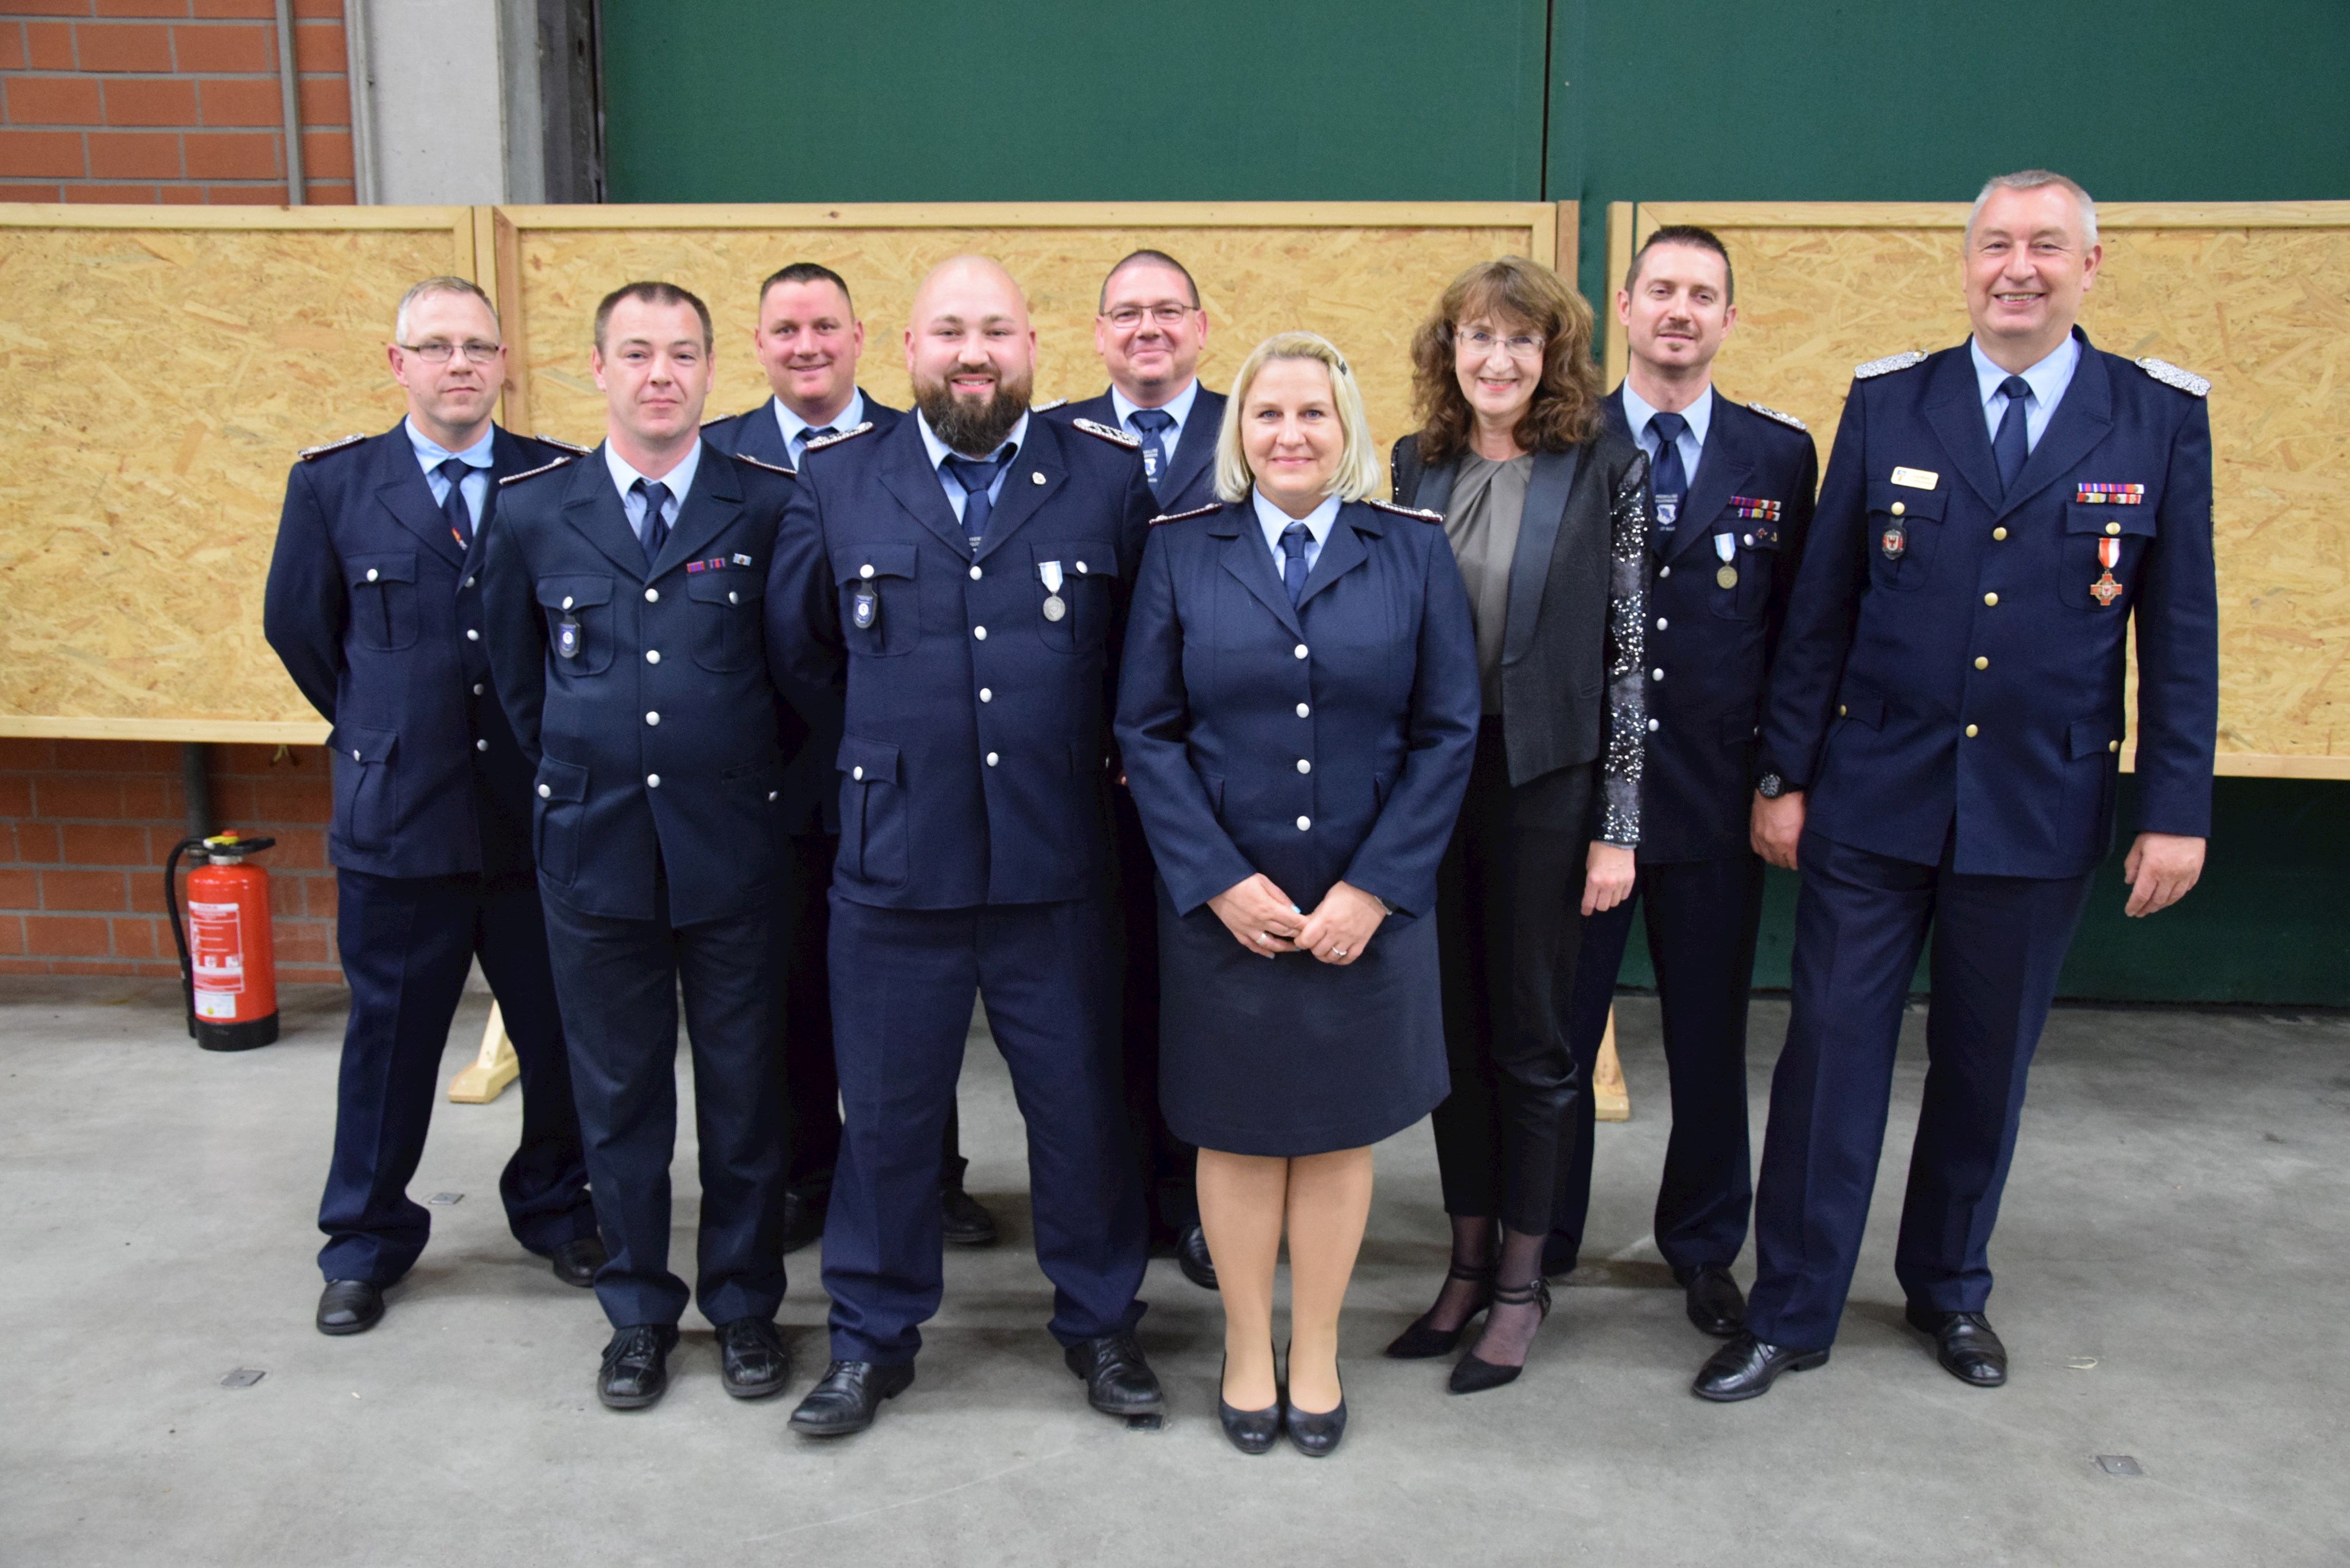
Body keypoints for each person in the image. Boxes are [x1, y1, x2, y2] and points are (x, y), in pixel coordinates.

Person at [1699, 171, 2217, 1402]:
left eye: (2045, 246)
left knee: (1984, 1066)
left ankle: (1947, 1288)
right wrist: (1782, 772)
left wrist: (2176, 808)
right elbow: (1819, 609)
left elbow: (2180, 631)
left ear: (2089, 266)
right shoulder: (1892, 402)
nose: (2016, 268)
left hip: (2036, 804)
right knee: (1829, 1056)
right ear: (1966, 261)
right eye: (1995, 244)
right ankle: (1791, 1308)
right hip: (1872, 797)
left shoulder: (2152, 417)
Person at [767, 256, 1162, 1438]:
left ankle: (1101, 1322)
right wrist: (901, 752)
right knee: (887, 1120)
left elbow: (1142, 652)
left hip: (1059, 859)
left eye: (994, 329)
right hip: (897, 861)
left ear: (1033, 345)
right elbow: (802, 653)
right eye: (949, 331)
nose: (973, 353)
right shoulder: (839, 479)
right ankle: (868, 1339)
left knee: (1080, 1111)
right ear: (907, 349)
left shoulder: (1105, 477)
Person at [1118, 330, 1480, 1456]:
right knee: (1232, 1131)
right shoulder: (1181, 549)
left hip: (1359, 907)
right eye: (1266, 413)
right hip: (1225, 906)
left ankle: (1314, 1348)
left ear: (1346, 427)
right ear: (1239, 429)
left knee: (1332, 1130)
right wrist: (1217, 881)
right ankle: (1243, 1344)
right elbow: (1145, 730)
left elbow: (1447, 731)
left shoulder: (1410, 548)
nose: (1289, 433)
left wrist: (1376, 890)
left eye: (1311, 413)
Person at [482, 282, 801, 1412]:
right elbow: (520, 687)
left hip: (733, 849)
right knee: (617, 1100)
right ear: (597, 368)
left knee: (744, 1094)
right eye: (636, 353)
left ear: (711, 370)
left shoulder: (767, 504)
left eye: (681, 354)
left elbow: (797, 681)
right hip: (595, 850)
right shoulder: (533, 511)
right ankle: (636, 1312)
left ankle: (745, 1302)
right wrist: (592, 769)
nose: (659, 374)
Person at [264, 276, 602, 1337]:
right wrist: (382, 726)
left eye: (478, 347)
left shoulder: (557, 478)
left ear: (504, 363)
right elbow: (300, 630)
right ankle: (364, 1240)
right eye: (437, 346)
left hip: (533, 816)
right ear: (397, 362)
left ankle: (559, 1207)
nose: (460, 364)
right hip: (402, 820)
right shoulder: (334, 484)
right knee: (391, 1041)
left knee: (560, 1035)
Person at [1385, 256, 1652, 1392]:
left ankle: (1520, 1283)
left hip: (1547, 781)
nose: (1497, 360)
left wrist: (1617, 825)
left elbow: (1631, 655)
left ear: (1553, 356)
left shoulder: (1607, 466)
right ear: (1448, 350)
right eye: (1478, 338)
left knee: (1533, 1041)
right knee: (1449, 1036)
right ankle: (1463, 1263)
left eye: (1521, 341)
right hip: (1433, 781)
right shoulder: (1414, 463)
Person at [1551, 227, 1819, 1340]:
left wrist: (1783, 774)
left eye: (1701, 295)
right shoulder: (1566, 438)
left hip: (1712, 797)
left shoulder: (1776, 455)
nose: (1679, 310)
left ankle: (1705, 1246)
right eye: (1660, 289)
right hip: (1579, 808)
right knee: (1559, 1036)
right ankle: (1539, 1240)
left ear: (1728, 319)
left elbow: (1799, 630)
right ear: (1622, 307)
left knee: (1709, 1039)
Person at [701, 262, 997, 1254]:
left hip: (911, 784)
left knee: (921, 992)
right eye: (785, 330)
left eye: (825, 326)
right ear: (758, 345)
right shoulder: (716, 457)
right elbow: (782, 637)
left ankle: (934, 1179)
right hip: (778, 782)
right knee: (793, 987)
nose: (807, 346)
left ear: (863, 338)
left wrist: (878, 729)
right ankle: (810, 1173)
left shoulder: (916, 443)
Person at [1043, 248, 1229, 1290]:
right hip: (1087, 773)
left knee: (1205, 987)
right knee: (1103, 990)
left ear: (1201, 328)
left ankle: (1205, 1201)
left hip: (1218, 774)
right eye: (1126, 313)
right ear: (1098, 333)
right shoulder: (1053, 441)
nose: (1147, 328)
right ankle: (1117, 1196)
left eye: (1167, 310)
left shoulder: (1254, 429)